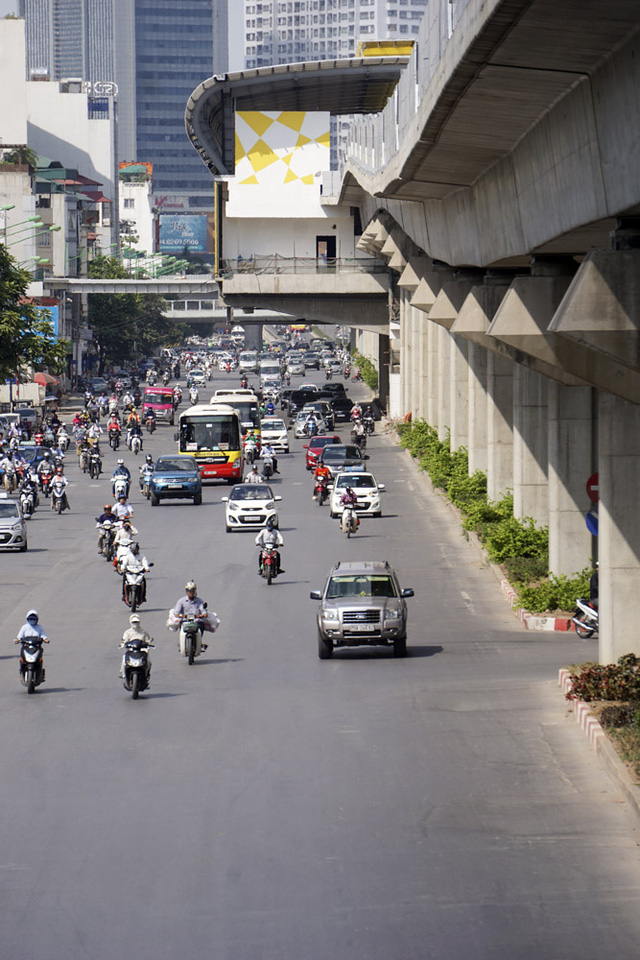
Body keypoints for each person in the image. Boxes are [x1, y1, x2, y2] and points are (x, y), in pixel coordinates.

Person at [171, 581, 209, 648]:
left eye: (192, 590)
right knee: (181, 626)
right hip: (185, 621)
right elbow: (176, 612)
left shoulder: (199, 601)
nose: (191, 592)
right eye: (189, 591)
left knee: (201, 625)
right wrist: (178, 615)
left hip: (196, 621)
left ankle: (199, 642)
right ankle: (182, 643)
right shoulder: (181, 601)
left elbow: (203, 610)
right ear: (186, 591)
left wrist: (204, 614)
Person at [119, 613, 153, 682]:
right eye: (134, 622)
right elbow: (124, 641)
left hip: (142, 651)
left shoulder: (143, 632)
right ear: (130, 622)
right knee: (124, 660)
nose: (135, 623)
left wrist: (148, 644)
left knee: (149, 661)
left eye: (136, 622)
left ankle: (146, 674)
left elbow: (148, 640)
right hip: (131, 650)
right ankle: (124, 674)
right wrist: (123, 644)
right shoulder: (127, 632)